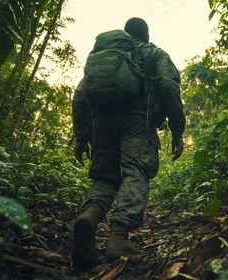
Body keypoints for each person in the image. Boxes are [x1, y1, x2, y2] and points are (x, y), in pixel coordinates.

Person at [71, 17, 186, 270]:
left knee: (104, 177)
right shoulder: (153, 53)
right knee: (135, 171)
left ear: (125, 34)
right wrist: (177, 131)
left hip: (100, 122)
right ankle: (118, 237)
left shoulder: (106, 54)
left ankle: (89, 215)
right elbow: (167, 84)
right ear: (146, 35)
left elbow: (80, 95)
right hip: (136, 121)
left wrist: (80, 136)